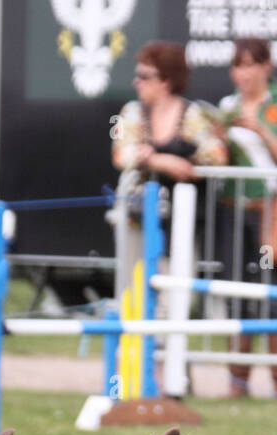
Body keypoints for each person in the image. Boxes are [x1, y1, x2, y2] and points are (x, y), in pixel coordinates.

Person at [213, 38, 277, 398]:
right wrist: (217, 139)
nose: (244, 73)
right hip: (231, 212)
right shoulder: (226, 106)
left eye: (252, 64)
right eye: (238, 65)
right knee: (236, 293)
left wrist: (259, 130)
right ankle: (238, 385)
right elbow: (219, 161)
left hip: (272, 217)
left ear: (267, 67)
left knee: (274, 294)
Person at [110, 41, 225, 297]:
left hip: (180, 219)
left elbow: (216, 155)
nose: (136, 82)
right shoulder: (131, 112)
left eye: (144, 76)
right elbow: (120, 154)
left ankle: (165, 335)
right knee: (133, 285)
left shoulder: (193, 114)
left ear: (166, 81)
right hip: (137, 216)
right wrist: (161, 161)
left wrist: (187, 159)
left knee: (174, 288)